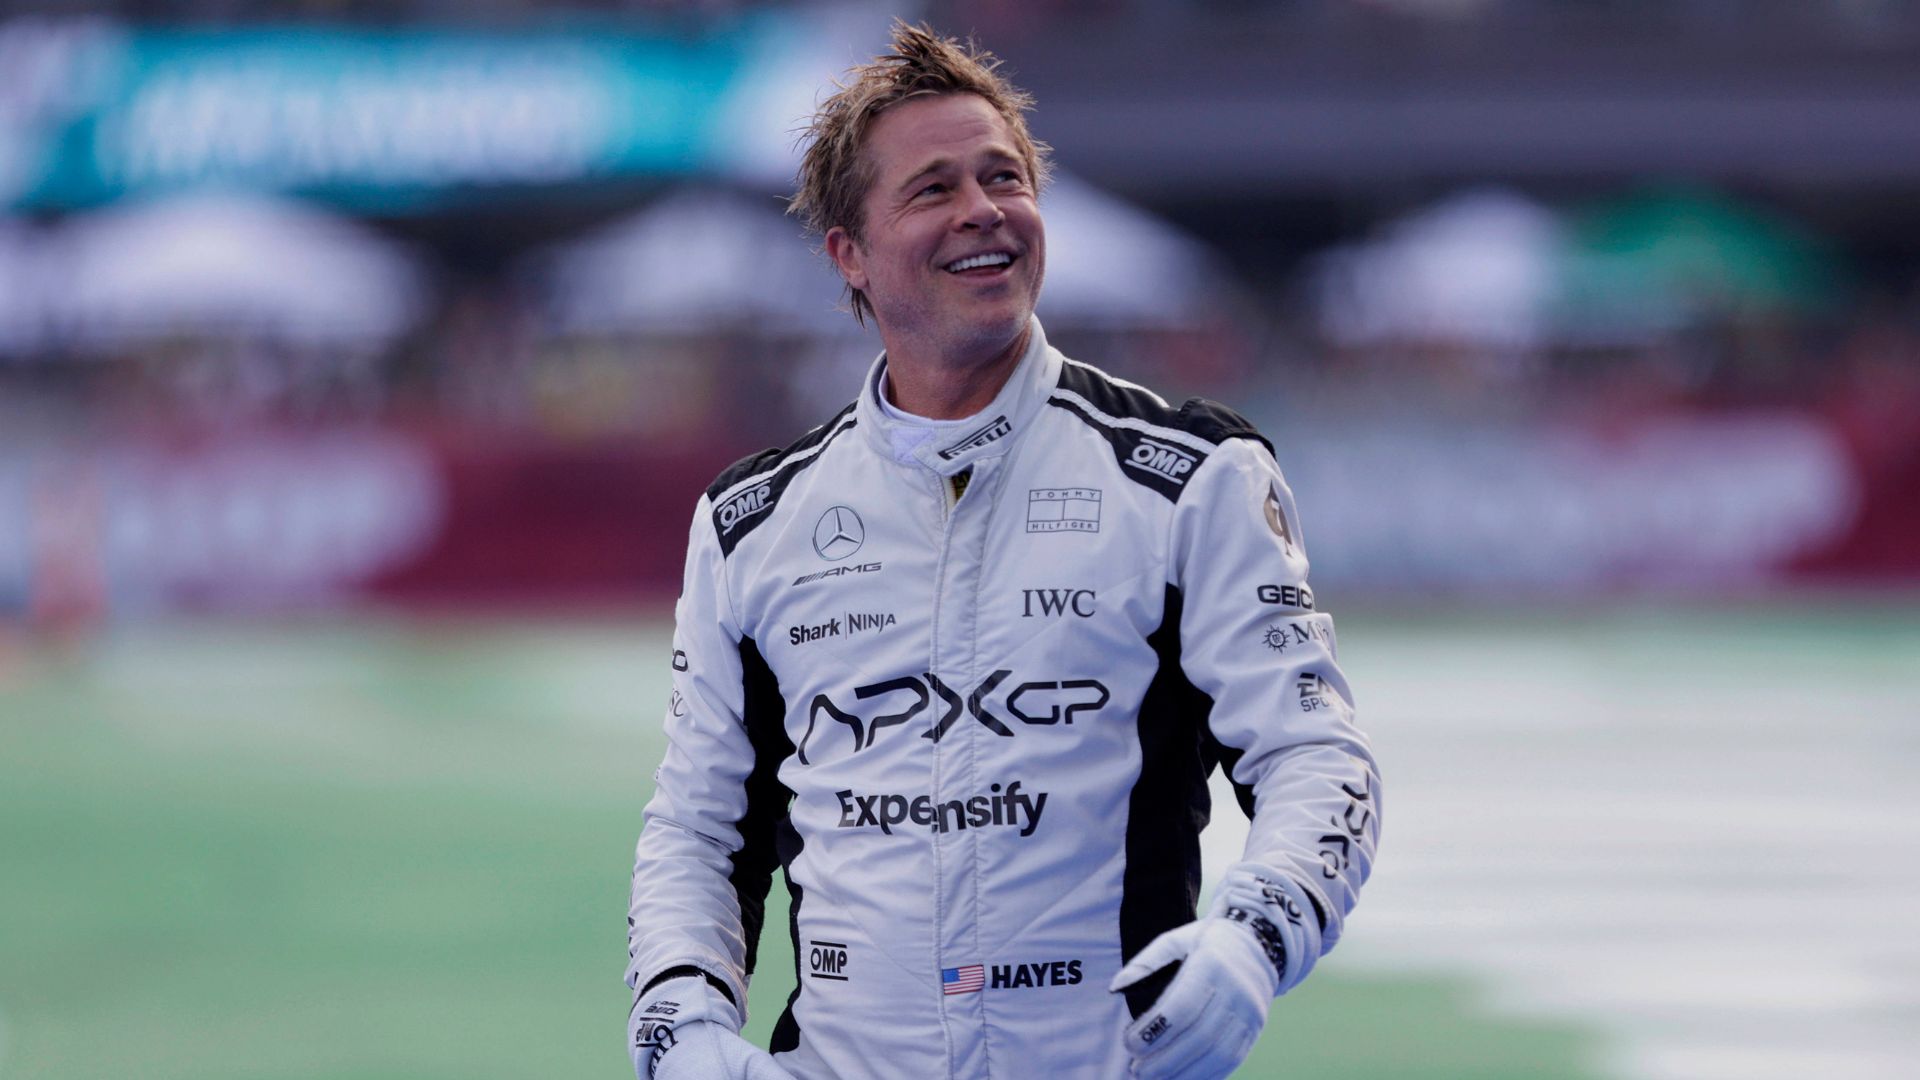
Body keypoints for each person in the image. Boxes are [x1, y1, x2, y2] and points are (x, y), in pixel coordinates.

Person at [625, 22, 1380, 1080]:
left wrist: (1256, 939)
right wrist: (680, 1020)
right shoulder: (751, 521)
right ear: (848, 251)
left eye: (1005, 178)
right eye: (933, 188)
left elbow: (1314, 757)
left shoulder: (1189, 476)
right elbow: (700, 826)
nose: (983, 210)